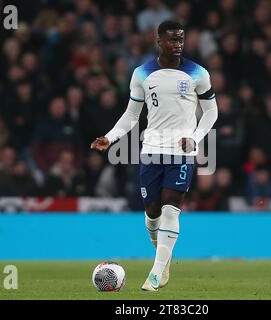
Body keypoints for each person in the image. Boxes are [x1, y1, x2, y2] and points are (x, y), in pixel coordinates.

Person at [91, 21, 218, 291]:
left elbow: (211, 112)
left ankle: (156, 273)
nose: (178, 44)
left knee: (172, 207)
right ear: (158, 41)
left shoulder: (198, 73)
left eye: (181, 39)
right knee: (152, 213)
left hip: (182, 151)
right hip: (151, 149)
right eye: (172, 40)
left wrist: (194, 138)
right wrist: (110, 137)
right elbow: (131, 115)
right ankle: (163, 256)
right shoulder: (142, 74)